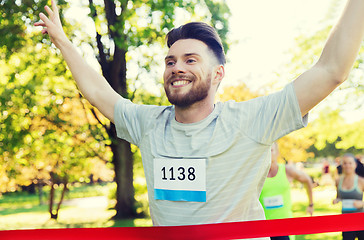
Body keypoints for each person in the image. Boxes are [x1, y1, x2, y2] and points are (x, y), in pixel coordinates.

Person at [34, 0, 364, 234]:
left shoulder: (253, 119)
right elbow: (98, 92)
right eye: (170, 61)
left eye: (191, 60)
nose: (177, 67)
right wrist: (62, 40)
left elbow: (331, 70)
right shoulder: (148, 124)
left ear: (218, 74)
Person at [259, 143, 314, 240]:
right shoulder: (258, 175)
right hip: (263, 228)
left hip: (285, 228)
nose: (268, 154)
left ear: (277, 153)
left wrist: (310, 204)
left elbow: (307, 180)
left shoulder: (287, 170)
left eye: (271, 150)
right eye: (265, 151)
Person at [333, 153, 364, 240]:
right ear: (342, 165)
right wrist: (337, 200)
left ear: (355, 165)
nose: (347, 166)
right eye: (345, 163)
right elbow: (339, 196)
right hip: (345, 221)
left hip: (361, 220)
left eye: (350, 163)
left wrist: (362, 203)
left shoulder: (361, 181)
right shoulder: (338, 180)